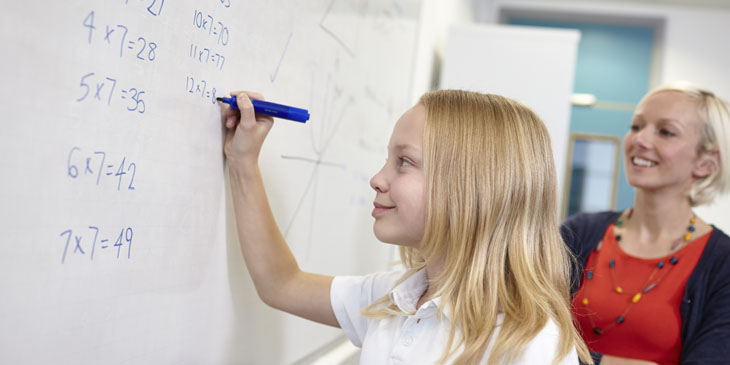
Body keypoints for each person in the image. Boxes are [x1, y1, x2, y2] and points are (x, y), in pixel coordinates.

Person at [224, 89, 591, 364]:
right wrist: (243, 162)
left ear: (469, 186)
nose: (377, 179)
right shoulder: (394, 299)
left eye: (403, 162)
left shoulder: (530, 342)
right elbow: (281, 283)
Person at [561, 81, 730, 364]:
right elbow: (527, 332)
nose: (639, 140)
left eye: (665, 132)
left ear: (705, 163)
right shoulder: (579, 233)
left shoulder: (723, 263)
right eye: (637, 126)